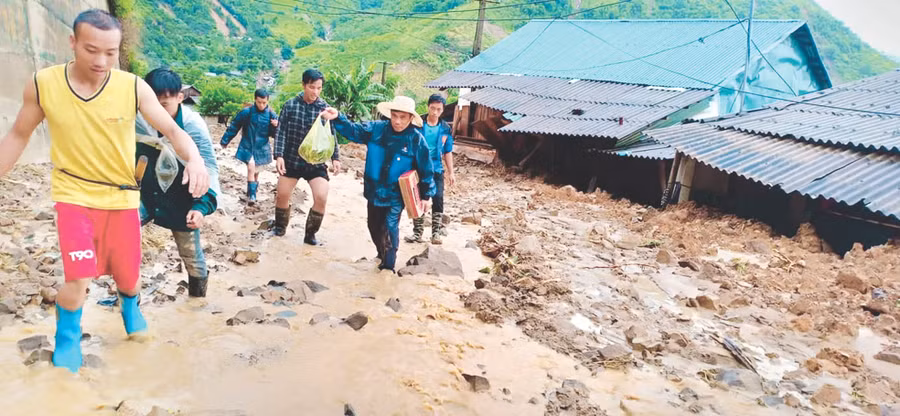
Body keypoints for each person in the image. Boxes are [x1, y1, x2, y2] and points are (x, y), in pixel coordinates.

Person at [0, 9, 209, 373]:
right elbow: (19, 135)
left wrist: (196, 161)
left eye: (110, 53)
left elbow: (173, 132)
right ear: (73, 43)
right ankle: (67, 337)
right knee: (79, 275)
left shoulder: (132, 87)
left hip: (122, 197)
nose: (101, 61)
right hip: (73, 196)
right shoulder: (43, 84)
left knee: (128, 277)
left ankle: (130, 305)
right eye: (92, 50)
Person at [320, 96, 435, 272]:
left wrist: (427, 195)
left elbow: (426, 169)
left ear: (411, 118)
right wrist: (338, 117)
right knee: (373, 225)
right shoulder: (376, 129)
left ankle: (388, 268)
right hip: (374, 189)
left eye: (402, 117)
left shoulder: (416, 140)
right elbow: (354, 131)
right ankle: (381, 254)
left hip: (396, 193)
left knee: (390, 226)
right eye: (394, 116)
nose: (397, 121)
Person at [136, 68, 221, 298]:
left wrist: (200, 207)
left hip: (181, 198)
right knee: (124, 236)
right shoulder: (137, 119)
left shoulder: (193, 127)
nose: (156, 112)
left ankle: (197, 301)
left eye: (164, 105)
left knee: (191, 254)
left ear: (180, 98)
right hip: (143, 193)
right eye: (151, 104)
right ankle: (127, 297)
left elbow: (209, 169)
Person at [272, 69, 341, 244]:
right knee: (282, 194)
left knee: (321, 196)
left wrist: (336, 158)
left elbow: (331, 135)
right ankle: (280, 228)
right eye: (312, 87)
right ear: (303, 85)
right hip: (292, 160)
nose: (315, 92)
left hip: (315, 162)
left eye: (319, 88)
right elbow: (281, 132)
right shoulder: (290, 105)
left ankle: (310, 233)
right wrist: (279, 155)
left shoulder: (324, 109)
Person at [405, 94, 455, 245]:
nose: (434, 112)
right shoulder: (418, 124)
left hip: (437, 169)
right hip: (418, 167)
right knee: (417, 198)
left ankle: (436, 233)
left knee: (438, 198)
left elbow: (448, 151)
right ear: (428, 107)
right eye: (432, 108)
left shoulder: (446, 128)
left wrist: (451, 172)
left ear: (442, 110)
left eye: (438, 109)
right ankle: (417, 233)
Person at [220, 88, 277, 205]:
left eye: (264, 103)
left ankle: (252, 190)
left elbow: (274, 135)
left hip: (262, 147)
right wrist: (225, 141)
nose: (262, 105)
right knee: (251, 167)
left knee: (256, 171)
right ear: (255, 100)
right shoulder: (246, 112)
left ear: (267, 101)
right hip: (248, 145)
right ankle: (252, 195)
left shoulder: (272, 115)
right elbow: (234, 126)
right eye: (259, 102)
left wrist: (276, 126)